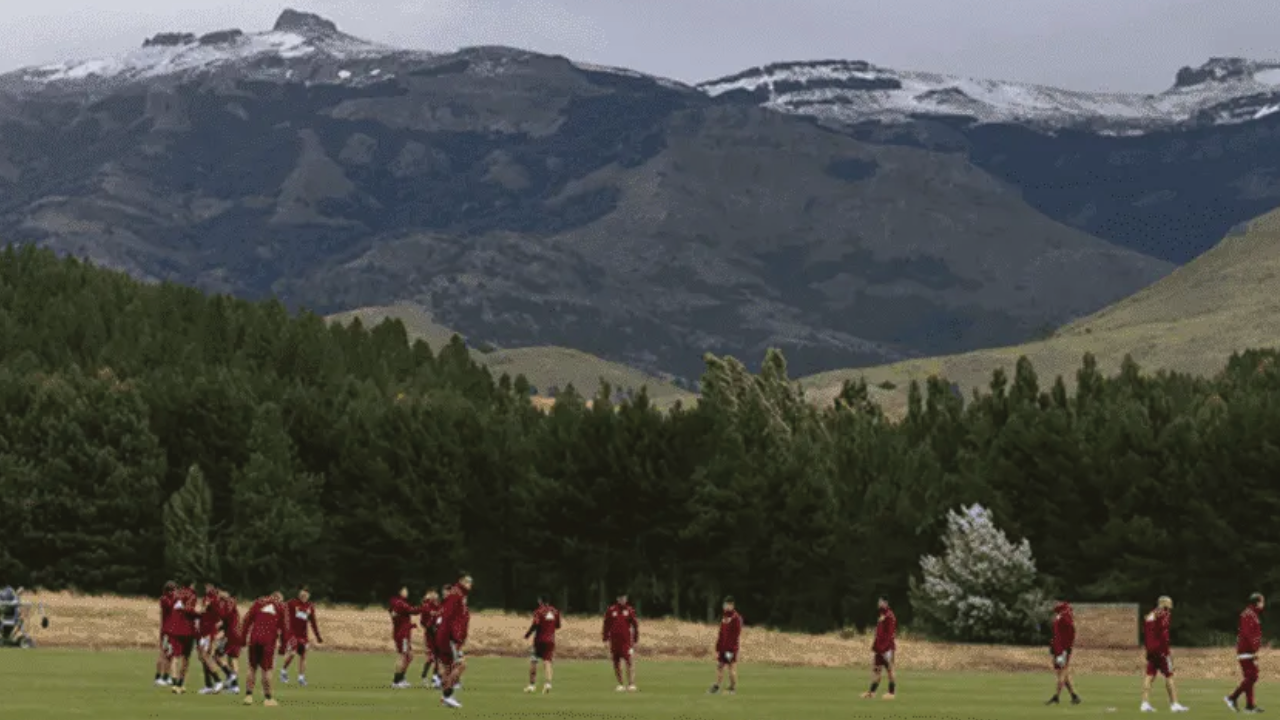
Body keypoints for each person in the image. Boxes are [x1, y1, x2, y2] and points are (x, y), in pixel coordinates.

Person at [239, 590, 291, 707]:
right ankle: (268, 698)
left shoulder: (258, 603)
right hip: (268, 641)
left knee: (252, 667)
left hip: (254, 639)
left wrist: (243, 639)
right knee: (267, 669)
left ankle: (248, 696)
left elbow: (246, 620)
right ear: (279, 598)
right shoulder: (281, 607)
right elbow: (285, 629)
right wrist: (283, 647)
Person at [1141, 595, 1189, 713]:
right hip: (1161, 650)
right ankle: (1174, 704)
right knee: (1169, 676)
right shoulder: (1164, 615)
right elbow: (1163, 634)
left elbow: (1147, 634)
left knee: (1149, 676)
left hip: (1150, 650)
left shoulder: (1150, 614)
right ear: (1165, 603)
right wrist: (1167, 651)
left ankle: (1144, 703)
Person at [435, 573, 474, 709]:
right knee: (461, 665)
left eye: (471, 582)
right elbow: (449, 617)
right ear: (461, 581)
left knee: (448, 668)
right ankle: (447, 696)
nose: (470, 585)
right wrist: (455, 637)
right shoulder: (456, 595)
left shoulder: (459, 595)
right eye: (468, 582)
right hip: (450, 637)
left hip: (447, 636)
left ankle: (447, 697)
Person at [1226, 593, 1266, 713]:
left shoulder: (1251, 614)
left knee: (1250, 677)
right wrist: (1254, 650)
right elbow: (1248, 634)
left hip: (1248, 650)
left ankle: (1250, 706)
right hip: (1246, 650)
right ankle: (1232, 698)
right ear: (1257, 602)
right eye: (1262, 602)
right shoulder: (1248, 614)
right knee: (1252, 677)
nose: (1263, 604)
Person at [281, 586, 324, 687]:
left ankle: (301, 678)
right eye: (302, 594)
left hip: (303, 636)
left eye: (306, 594)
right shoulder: (292, 603)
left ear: (309, 596)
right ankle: (283, 671)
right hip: (292, 634)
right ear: (299, 594)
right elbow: (282, 611)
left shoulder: (310, 607)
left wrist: (318, 636)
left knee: (303, 656)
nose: (303, 596)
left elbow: (313, 622)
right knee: (292, 653)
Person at [165, 580, 200, 694]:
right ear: (191, 584)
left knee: (175, 656)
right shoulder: (192, 595)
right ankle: (181, 683)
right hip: (188, 631)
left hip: (175, 630)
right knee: (186, 658)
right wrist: (200, 614)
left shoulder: (176, 595)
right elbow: (189, 610)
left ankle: (174, 683)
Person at [602, 591, 640, 692]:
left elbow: (635, 626)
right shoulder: (611, 610)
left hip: (626, 642)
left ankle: (631, 683)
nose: (622, 600)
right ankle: (620, 684)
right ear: (617, 599)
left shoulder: (629, 610)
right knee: (616, 662)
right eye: (620, 598)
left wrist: (635, 640)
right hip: (614, 642)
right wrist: (605, 639)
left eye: (624, 598)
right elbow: (606, 625)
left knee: (629, 661)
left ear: (626, 599)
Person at [861, 597, 897, 700]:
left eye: (880, 602)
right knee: (877, 670)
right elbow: (879, 633)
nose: (878, 603)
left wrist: (883, 648)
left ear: (886, 603)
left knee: (890, 670)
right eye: (878, 601)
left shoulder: (890, 616)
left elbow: (889, 634)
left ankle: (891, 693)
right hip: (879, 648)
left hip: (887, 648)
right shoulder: (882, 614)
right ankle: (871, 693)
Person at [524, 595, 561, 694]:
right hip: (551, 640)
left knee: (534, 661)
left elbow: (535, 624)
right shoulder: (555, 611)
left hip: (539, 640)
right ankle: (548, 684)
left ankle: (532, 685)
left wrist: (527, 634)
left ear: (540, 601)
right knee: (547, 661)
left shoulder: (539, 611)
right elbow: (558, 625)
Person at [1046, 600, 1081, 705]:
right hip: (1060, 649)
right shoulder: (1063, 617)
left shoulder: (1063, 618)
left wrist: (1062, 650)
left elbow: (1065, 635)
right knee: (1063, 673)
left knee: (1062, 672)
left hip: (1061, 650)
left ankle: (1056, 696)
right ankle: (1074, 696)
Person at [196, 582, 227, 695]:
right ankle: (208, 685)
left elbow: (210, 613)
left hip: (209, 632)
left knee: (206, 656)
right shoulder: (209, 598)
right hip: (203, 632)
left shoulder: (213, 599)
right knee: (202, 657)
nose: (206, 587)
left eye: (208, 586)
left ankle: (218, 681)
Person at [708, 595, 742, 695]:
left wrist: (731, 648)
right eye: (724, 604)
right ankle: (717, 686)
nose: (725, 606)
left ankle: (732, 688)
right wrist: (718, 646)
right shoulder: (725, 617)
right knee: (719, 666)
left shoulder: (736, 618)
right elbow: (721, 632)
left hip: (730, 649)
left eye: (727, 605)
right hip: (723, 648)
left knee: (731, 667)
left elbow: (736, 634)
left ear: (731, 605)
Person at [389, 586, 420, 689]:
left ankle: (401, 678)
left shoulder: (396, 603)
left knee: (409, 656)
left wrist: (410, 625)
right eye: (405, 590)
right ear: (400, 591)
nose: (407, 592)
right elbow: (413, 610)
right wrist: (426, 605)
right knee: (404, 656)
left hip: (402, 633)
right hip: (403, 635)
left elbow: (400, 618)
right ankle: (396, 681)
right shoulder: (400, 603)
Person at [216, 588, 243, 695]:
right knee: (232, 659)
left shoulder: (229, 602)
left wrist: (218, 625)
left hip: (233, 634)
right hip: (235, 633)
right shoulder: (228, 602)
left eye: (220, 592)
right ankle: (234, 686)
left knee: (217, 655)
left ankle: (232, 678)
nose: (218, 594)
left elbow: (225, 616)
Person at [419, 588, 444, 688]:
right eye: (432, 593)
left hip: (438, 635)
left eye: (435, 593)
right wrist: (429, 626)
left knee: (439, 658)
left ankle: (435, 678)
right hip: (430, 636)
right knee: (431, 658)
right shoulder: (426, 606)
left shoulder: (439, 605)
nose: (434, 595)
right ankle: (424, 676)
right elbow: (422, 622)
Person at [155, 581, 177, 687]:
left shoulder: (171, 599)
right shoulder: (165, 599)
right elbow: (170, 606)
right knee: (163, 653)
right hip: (167, 631)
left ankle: (166, 676)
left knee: (169, 654)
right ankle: (159, 676)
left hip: (171, 630)